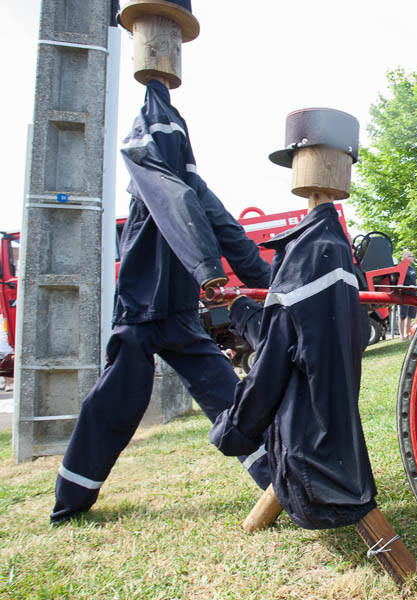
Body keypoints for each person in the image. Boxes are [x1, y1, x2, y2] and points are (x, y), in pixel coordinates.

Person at [51, 79, 272, 524]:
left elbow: (230, 230)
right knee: (114, 405)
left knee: (229, 397)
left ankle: (276, 480)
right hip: (139, 312)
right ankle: (70, 503)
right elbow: (178, 204)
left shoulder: (190, 181)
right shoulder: (144, 162)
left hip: (180, 315)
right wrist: (208, 270)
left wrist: (275, 288)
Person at [211, 201, 378, 530]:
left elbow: (272, 366)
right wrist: (243, 312)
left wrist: (231, 431)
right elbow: (294, 339)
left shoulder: (302, 258)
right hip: (346, 463)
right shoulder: (338, 252)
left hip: (309, 473)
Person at [398, 251, 417, 340]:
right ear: (406, 257)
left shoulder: (412, 269)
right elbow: (399, 281)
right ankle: (402, 336)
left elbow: (415, 280)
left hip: (413, 293)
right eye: (412, 256)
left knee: (411, 315)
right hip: (404, 294)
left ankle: (407, 334)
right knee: (402, 316)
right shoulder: (402, 267)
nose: (413, 258)